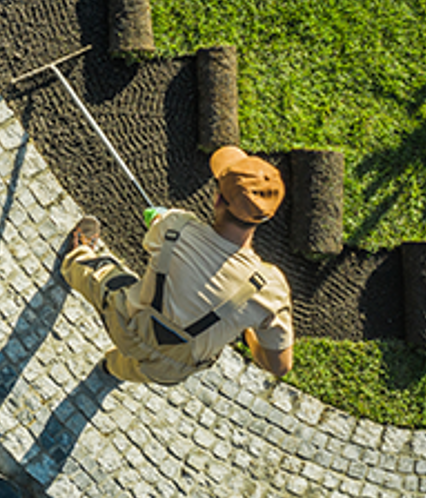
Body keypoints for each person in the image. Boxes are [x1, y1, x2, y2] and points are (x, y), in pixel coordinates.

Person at [62, 146, 294, 385]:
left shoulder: (177, 225)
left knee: (98, 270)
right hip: (172, 367)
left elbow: (152, 241)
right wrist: (251, 337)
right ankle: (111, 368)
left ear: (217, 199)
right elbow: (280, 365)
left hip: (126, 321)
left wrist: (160, 219)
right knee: (136, 369)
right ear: (266, 216)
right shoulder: (269, 290)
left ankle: (75, 257)